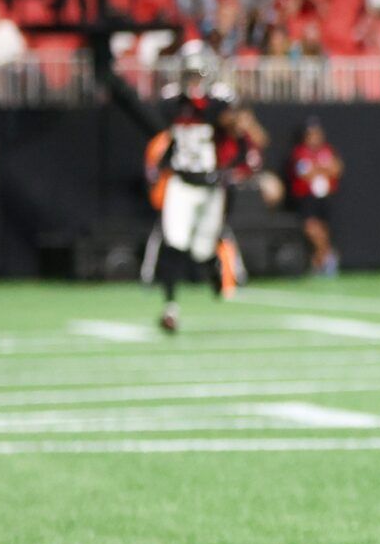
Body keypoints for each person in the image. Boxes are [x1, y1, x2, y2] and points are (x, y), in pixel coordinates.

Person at [112, 43, 265, 333]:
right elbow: (161, 127)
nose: (194, 79)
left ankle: (215, 276)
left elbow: (235, 127)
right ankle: (170, 308)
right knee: (174, 242)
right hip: (181, 183)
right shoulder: (172, 102)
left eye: (198, 73)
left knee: (202, 250)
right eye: (189, 73)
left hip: (211, 186)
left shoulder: (220, 101)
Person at [287, 117, 342, 277]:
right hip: (306, 198)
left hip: (324, 198)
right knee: (311, 228)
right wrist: (323, 168)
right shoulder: (300, 152)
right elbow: (305, 173)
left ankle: (321, 260)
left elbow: (337, 169)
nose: (315, 137)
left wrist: (318, 168)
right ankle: (325, 256)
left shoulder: (327, 150)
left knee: (324, 229)